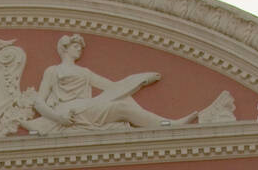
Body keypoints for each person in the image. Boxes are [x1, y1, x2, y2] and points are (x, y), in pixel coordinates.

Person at [27, 34, 173, 133]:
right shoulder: (53, 71)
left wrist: (142, 79)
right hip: (70, 111)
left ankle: (165, 123)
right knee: (122, 106)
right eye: (75, 46)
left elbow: (111, 86)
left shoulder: (84, 72)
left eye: (80, 47)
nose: (79, 50)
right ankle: (166, 124)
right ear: (64, 48)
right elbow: (39, 103)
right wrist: (59, 118)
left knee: (123, 99)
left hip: (87, 108)